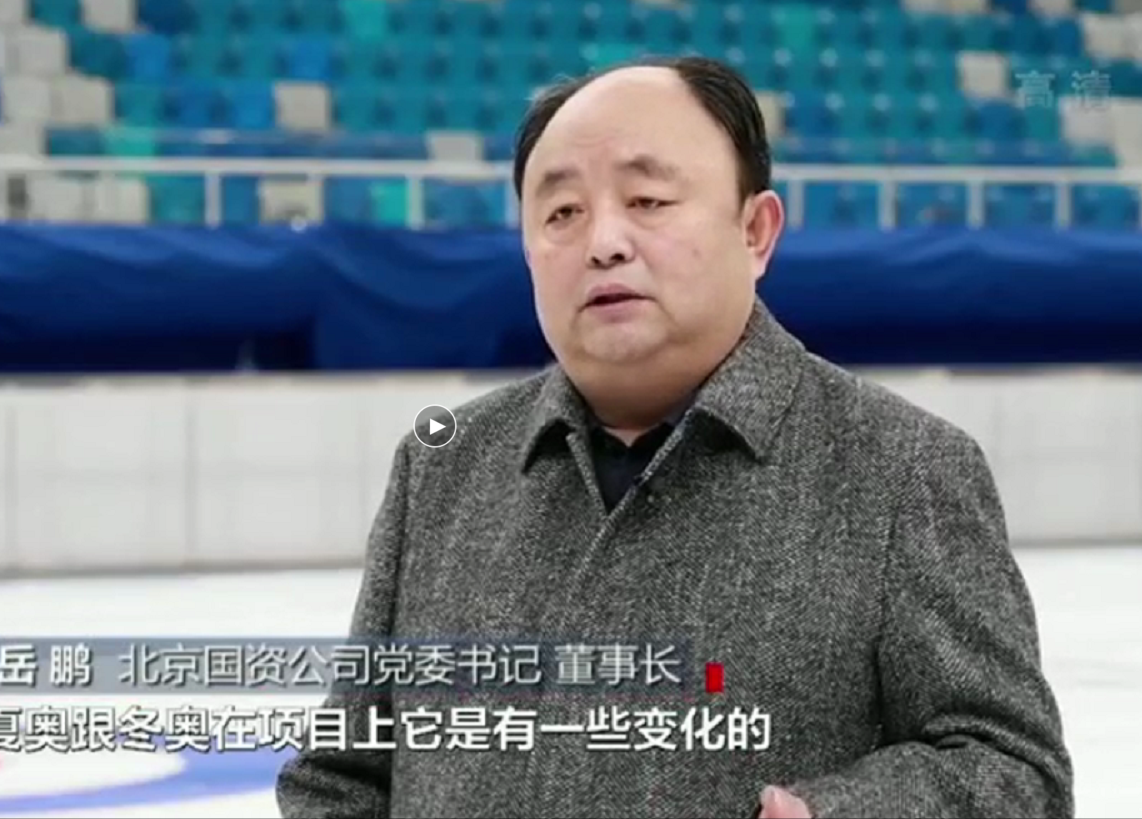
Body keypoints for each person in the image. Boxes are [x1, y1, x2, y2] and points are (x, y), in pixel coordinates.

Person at [276, 56, 1073, 819]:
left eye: (649, 200)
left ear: (755, 231)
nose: (604, 241)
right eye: (562, 212)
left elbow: (1013, 769)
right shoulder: (443, 466)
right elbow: (342, 773)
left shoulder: (901, 468)